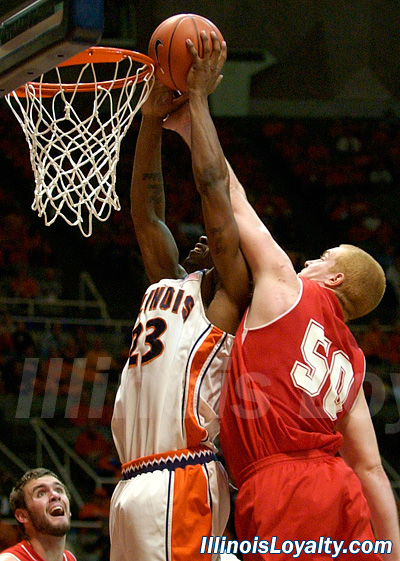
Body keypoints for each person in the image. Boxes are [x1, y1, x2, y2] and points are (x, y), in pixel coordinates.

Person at [110, 32, 249, 561]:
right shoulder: (166, 283)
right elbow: (146, 212)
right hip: (133, 479)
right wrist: (149, 122)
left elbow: (214, 190)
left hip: (182, 476)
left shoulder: (226, 298)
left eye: (211, 241)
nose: (199, 238)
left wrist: (199, 101)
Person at [219, 160, 400, 555]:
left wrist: (196, 130)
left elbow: (232, 197)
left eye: (323, 257)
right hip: (338, 488)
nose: (308, 263)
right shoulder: (353, 362)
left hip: (282, 487)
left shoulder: (288, 288)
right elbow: (370, 468)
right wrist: (392, 550)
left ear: (335, 279)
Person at [0, 468, 76, 561]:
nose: (55, 495)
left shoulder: (69, 558)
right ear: (22, 515)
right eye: (41, 493)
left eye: (59, 490)